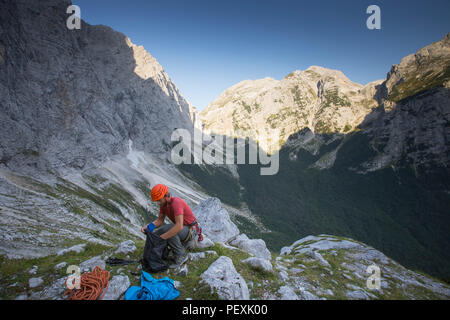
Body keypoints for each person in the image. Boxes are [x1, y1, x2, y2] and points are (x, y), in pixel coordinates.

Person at [141, 184, 201, 269]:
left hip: (190, 230)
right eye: (156, 201)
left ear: (166, 196)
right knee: (158, 233)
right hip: (183, 230)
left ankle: (181, 255)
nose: (158, 203)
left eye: (159, 200)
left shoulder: (176, 203)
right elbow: (160, 221)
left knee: (169, 230)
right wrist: (148, 227)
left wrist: (162, 238)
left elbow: (179, 226)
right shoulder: (163, 205)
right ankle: (158, 253)